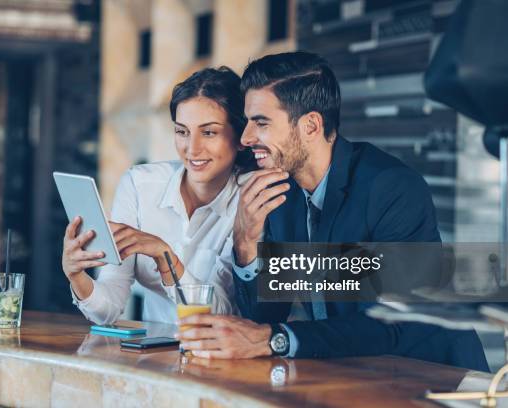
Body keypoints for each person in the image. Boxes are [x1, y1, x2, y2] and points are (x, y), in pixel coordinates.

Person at [177, 51, 489, 371]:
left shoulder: (391, 188)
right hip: (354, 378)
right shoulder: (281, 195)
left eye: (261, 123)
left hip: (435, 380)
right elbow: (264, 319)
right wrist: (246, 244)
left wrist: (276, 339)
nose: (245, 138)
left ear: (311, 125)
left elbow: (396, 322)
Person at [61, 67, 255, 324]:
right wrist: (77, 276)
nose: (192, 149)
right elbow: (107, 310)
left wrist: (166, 258)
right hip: (153, 358)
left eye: (209, 132)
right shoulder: (140, 185)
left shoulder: (252, 200)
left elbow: (222, 311)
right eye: (182, 131)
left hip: (222, 357)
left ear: (241, 137)